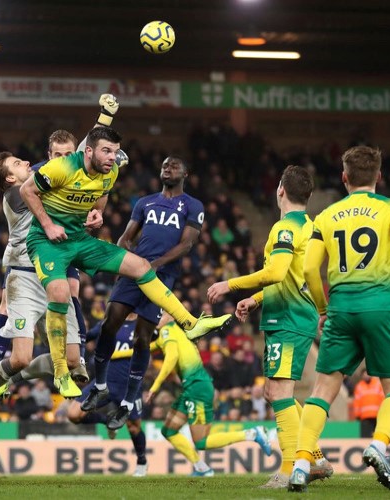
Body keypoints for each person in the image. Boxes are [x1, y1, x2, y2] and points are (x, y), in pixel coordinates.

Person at [20, 125, 232, 398]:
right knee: (60, 293)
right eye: (106, 151)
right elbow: (27, 190)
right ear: (88, 151)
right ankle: (61, 371)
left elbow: (102, 192)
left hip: (79, 239)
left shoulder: (111, 172)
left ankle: (190, 324)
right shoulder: (61, 168)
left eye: (115, 152)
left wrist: (97, 213)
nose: (112, 157)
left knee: (141, 266)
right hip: (47, 242)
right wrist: (48, 225)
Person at [288, 146, 390, 492]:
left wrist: (322, 309)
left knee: (322, 390)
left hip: (342, 309)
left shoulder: (327, 215)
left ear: (344, 178)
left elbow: (307, 268)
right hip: (382, 307)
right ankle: (378, 444)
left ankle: (302, 463)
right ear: (379, 176)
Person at [0, 95, 122, 399]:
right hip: (23, 260)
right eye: (19, 163)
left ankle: (76, 357)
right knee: (11, 319)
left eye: (68, 153)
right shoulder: (23, 188)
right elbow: (83, 157)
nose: (27, 163)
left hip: (56, 251)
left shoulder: (59, 172)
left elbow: (87, 168)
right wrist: (104, 123)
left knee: (71, 295)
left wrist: (94, 213)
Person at [206, 165, 332, 488]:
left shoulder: (284, 229)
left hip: (288, 318)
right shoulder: (310, 227)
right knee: (273, 391)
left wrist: (230, 285)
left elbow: (276, 273)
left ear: (280, 191)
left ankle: (291, 469)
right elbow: (289, 276)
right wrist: (257, 300)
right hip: (292, 314)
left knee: (279, 393)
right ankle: (314, 458)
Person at [82, 155, 204, 430]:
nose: (168, 168)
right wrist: (127, 255)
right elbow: (127, 236)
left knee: (142, 338)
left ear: (185, 171)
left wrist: (154, 266)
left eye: (174, 165)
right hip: (134, 271)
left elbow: (186, 245)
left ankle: (127, 403)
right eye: (163, 165)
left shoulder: (193, 205)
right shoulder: (145, 202)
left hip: (161, 278)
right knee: (109, 324)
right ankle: (99, 385)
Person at [145, 313, 271, 476]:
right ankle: (201, 468)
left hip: (197, 388)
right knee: (168, 431)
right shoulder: (170, 333)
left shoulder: (168, 331)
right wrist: (116, 352)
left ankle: (252, 433)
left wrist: (154, 387)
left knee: (201, 442)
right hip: (192, 388)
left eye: (161, 315)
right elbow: (147, 347)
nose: (157, 318)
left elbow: (172, 357)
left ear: (170, 317)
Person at [67, 313, 149, 477]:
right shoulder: (109, 322)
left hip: (129, 385)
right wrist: (69, 336)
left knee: (134, 428)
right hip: (104, 383)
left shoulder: (144, 322)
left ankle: (141, 462)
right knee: (73, 414)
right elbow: (86, 337)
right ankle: (108, 421)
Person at [352, 369, 385, 438]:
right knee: (365, 437)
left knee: (377, 436)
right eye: (364, 374)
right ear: (361, 376)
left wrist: (383, 412)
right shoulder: (359, 387)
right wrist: (357, 415)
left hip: (377, 416)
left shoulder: (377, 384)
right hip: (364, 417)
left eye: (367, 374)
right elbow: (357, 402)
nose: (366, 376)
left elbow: (382, 399)